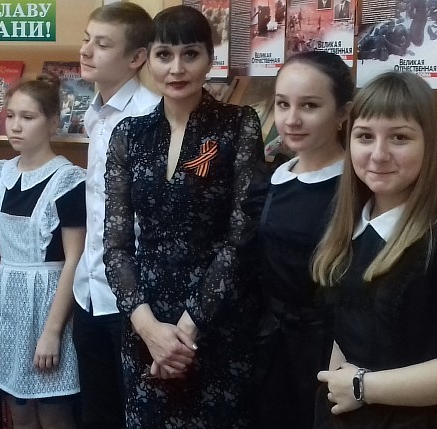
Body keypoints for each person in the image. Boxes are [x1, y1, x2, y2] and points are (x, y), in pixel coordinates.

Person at [104, 6, 264, 428]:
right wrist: (147, 328)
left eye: (190, 54)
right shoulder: (128, 135)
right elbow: (116, 245)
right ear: (148, 59)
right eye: (164, 55)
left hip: (217, 321)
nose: (176, 68)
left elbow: (243, 237)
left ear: (210, 58)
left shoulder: (238, 125)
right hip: (147, 321)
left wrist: (188, 331)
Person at [312, 71, 437, 428]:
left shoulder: (435, 238)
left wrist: (362, 387)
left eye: (400, 137)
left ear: (430, 143)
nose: (379, 154)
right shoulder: (345, 224)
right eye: (365, 136)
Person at [0, 74, 86, 429]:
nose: (15, 126)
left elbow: (74, 261)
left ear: (52, 123)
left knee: (53, 413)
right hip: (5, 308)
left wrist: (52, 331)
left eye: (28, 117)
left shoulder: (69, 182)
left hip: (49, 309)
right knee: (18, 411)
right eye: (10, 116)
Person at [253, 51, 354, 429]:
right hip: (269, 345)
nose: (291, 119)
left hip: (325, 353)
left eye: (309, 106)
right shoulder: (275, 176)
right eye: (283, 104)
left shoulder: (355, 186)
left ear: (342, 113)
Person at [72, 3, 160, 428]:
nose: (87, 50)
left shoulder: (151, 115)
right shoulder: (96, 113)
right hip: (88, 289)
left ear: (136, 57)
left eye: (103, 44)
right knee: (97, 413)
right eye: (87, 39)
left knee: (139, 414)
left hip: (135, 297)